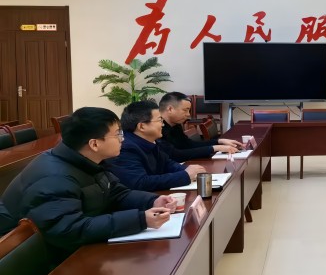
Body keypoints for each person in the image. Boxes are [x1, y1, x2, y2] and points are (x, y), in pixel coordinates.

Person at [1, 107, 175, 265]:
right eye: (117, 134)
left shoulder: (87, 160)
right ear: (94, 144)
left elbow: (116, 193)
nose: (122, 139)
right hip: (37, 262)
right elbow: (69, 230)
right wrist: (140, 219)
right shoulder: (54, 178)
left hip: (68, 248)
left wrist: (153, 200)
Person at [104, 101, 206, 191]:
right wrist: (185, 175)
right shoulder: (125, 148)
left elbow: (167, 164)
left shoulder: (150, 141)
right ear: (142, 126)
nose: (163, 125)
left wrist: (188, 170)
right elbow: (140, 182)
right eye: (159, 120)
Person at [158, 92, 241, 161]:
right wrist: (215, 148)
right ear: (170, 109)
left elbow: (188, 145)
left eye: (189, 111)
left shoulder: (175, 124)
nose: (188, 114)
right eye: (185, 110)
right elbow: (175, 155)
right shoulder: (156, 128)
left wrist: (219, 142)